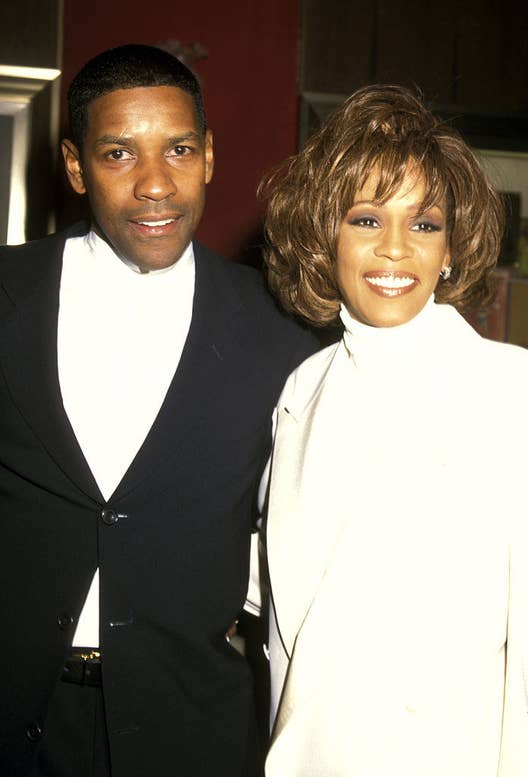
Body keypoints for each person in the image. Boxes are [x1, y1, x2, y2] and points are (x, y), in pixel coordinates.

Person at [260, 85, 528, 776]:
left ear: (451, 247)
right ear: (327, 239)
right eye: (364, 219)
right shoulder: (300, 393)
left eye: (423, 224)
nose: (394, 250)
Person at [0, 44, 316, 777]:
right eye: (118, 153)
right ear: (77, 167)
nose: (154, 185)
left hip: (191, 730)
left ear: (208, 156)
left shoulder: (282, 330)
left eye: (177, 149)